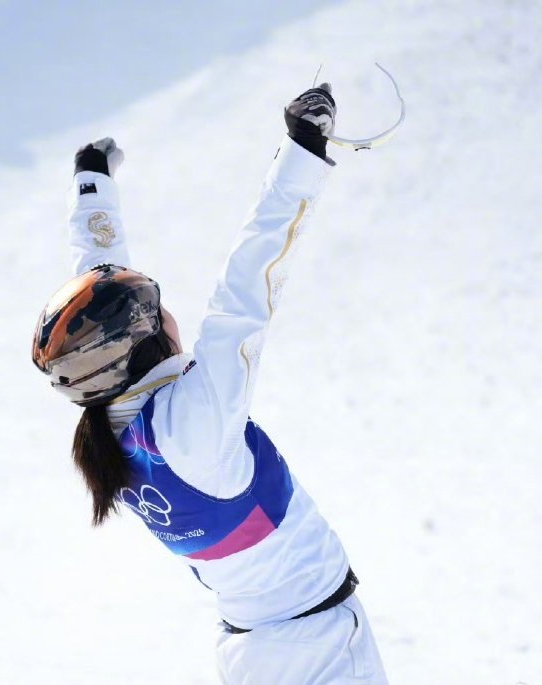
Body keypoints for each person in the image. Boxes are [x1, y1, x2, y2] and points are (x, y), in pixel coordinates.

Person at [31, 82, 389, 684]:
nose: (172, 314)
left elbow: (96, 291)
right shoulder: (194, 423)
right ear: (142, 341)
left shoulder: (110, 421)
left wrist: (92, 184)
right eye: (159, 309)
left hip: (255, 650)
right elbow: (246, 285)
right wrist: (302, 151)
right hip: (317, 650)